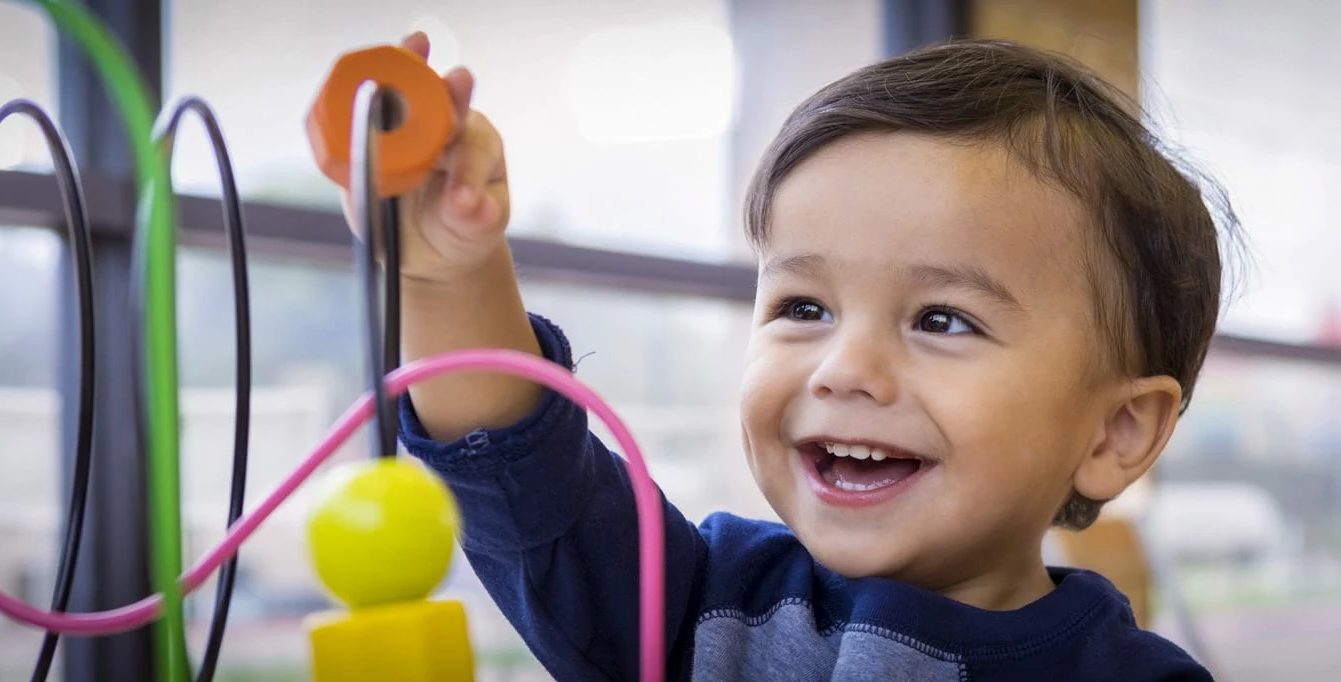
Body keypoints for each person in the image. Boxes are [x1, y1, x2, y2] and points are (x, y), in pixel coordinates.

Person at [356, 28, 1236, 681]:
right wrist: (448, 275)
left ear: (1116, 430)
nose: (842, 368)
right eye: (803, 306)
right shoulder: (702, 604)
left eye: (942, 320)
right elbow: (528, 478)